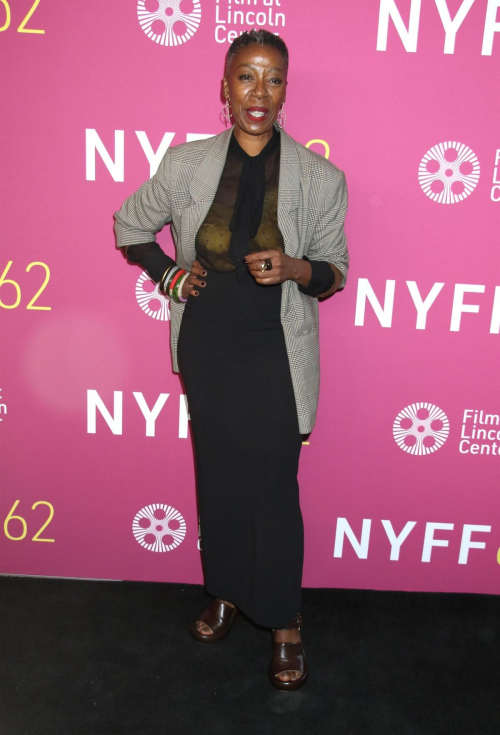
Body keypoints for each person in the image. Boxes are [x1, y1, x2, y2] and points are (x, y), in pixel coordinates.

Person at [114, 29, 349, 691]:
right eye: (245, 76)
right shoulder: (185, 163)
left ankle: (283, 621)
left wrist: (297, 265)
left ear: (284, 90)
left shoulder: (322, 177)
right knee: (217, 476)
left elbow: (335, 273)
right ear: (224, 87)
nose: (258, 91)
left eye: (272, 78)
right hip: (209, 343)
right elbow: (130, 225)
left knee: (273, 488)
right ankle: (223, 590)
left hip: (275, 349)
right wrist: (167, 274)